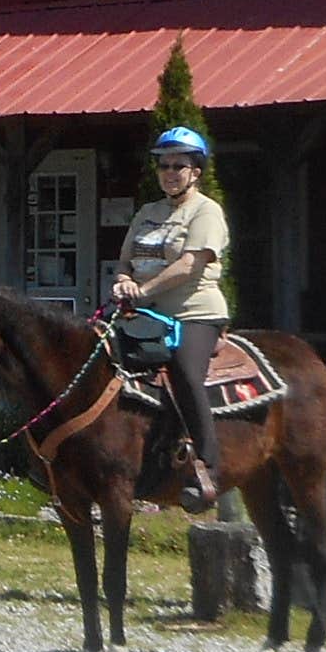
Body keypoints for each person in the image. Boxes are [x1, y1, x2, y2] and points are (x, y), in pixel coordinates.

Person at [111, 126, 232, 515]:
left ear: (196, 171)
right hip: (145, 314)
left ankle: (208, 466)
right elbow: (125, 261)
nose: (169, 172)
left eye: (179, 165)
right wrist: (124, 281)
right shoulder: (148, 213)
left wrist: (144, 291)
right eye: (163, 165)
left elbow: (189, 264)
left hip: (194, 312)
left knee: (183, 370)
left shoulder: (207, 212)